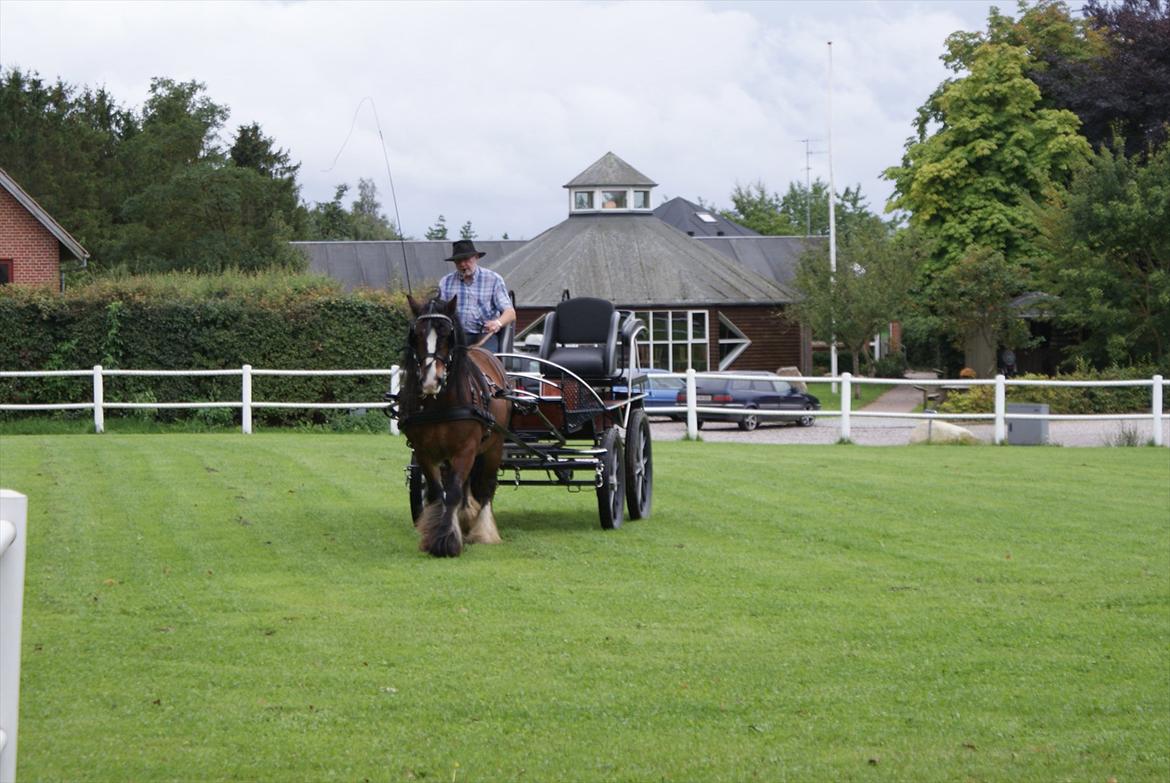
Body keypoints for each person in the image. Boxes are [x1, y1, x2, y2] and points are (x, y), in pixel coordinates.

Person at [438, 239, 515, 352]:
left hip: (485, 336)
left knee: (484, 364)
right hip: (455, 337)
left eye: (466, 259)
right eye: (458, 261)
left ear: (476, 258)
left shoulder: (494, 279)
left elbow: (510, 313)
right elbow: (439, 313)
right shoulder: (446, 282)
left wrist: (497, 323)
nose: (462, 264)